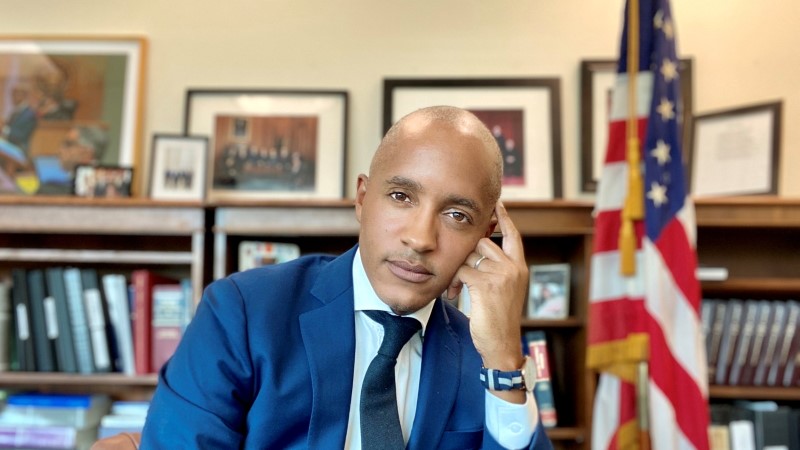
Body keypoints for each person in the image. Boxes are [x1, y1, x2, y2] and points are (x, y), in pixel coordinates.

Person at [139, 106, 553, 449]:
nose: (421, 238)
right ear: (361, 199)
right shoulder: (243, 312)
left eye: (457, 216)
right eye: (401, 197)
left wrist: (503, 363)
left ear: (484, 238)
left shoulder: (484, 354)